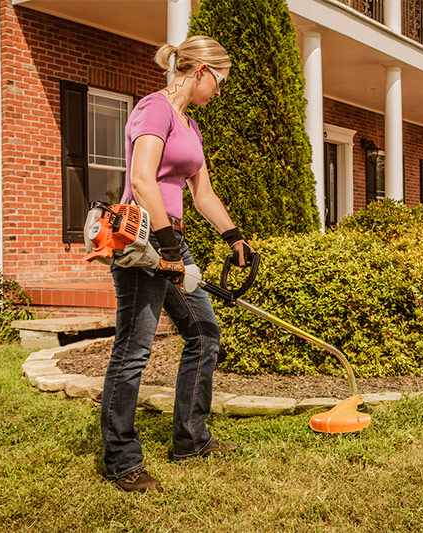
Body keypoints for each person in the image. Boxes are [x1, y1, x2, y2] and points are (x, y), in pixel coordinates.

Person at [100, 35, 254, 493]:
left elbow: (201, 193)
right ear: (202, 71)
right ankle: (121, 459)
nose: (220, 92)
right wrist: (166, 250)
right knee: (134, 349)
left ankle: (190, 438)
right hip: (142, 239)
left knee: (204, 332)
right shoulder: (154, 109)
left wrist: (234, 237)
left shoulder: (189, 124)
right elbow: (142, 180)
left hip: (172, 241)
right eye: (220, 82)